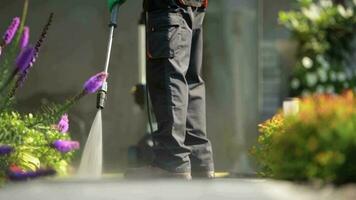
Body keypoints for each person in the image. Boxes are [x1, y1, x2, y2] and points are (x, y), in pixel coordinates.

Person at [127, 0, 214, 180]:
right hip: (194, 5)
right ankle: (199, 161)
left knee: (169, 76)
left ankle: (171, 161)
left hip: (168, 7)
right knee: (190, 81)